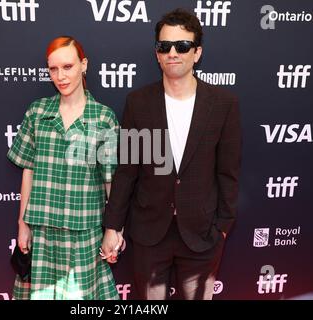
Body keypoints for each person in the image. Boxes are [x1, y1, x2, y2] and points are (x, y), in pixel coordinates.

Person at [101, 8, 241, 300]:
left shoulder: (223, 104)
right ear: (157, 53)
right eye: (165, 46)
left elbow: (228, 173)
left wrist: (222, 228)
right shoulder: (138, 102)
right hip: (149, 234)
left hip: (202, 235)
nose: (173, 53)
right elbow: (128, 170)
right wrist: (113, 226)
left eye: (182, 46)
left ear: (197, 52)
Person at [7, 36, 119, 300]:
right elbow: (29, 171)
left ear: (84, 65)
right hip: (42, 230)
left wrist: (114, 230)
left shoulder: (104, 117)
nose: (60, 76)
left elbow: (111, 181)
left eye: (67, 67)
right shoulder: (37, 112)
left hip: (85, 232)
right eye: (53, 69)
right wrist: (22, 224)